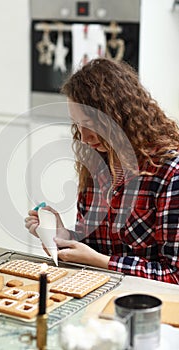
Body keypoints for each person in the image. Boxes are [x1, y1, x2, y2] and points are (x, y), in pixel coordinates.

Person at [25, 58, 179, 284]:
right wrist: (62, 236)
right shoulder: (97, 166)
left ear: (120, 117)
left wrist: (104, 263)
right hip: (97, 295)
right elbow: (91, 249)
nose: (85, 138)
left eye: (92, 125)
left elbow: (174, 275)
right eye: (77, 125)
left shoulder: (169, 173)